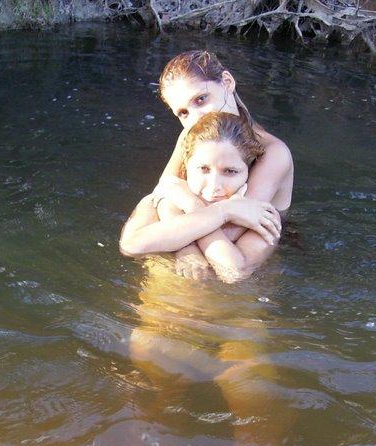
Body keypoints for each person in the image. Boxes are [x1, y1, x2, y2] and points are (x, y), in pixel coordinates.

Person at [119, 49, 293, 280]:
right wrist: (189, 246)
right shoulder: (192, 136)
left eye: (201, 99)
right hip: (204, 259)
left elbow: (232, 234)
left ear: (227, 82)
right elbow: (157, 199)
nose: (196, 118)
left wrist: (183, 216)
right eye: (183, 112)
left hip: (250, 262)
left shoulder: (274, 153)